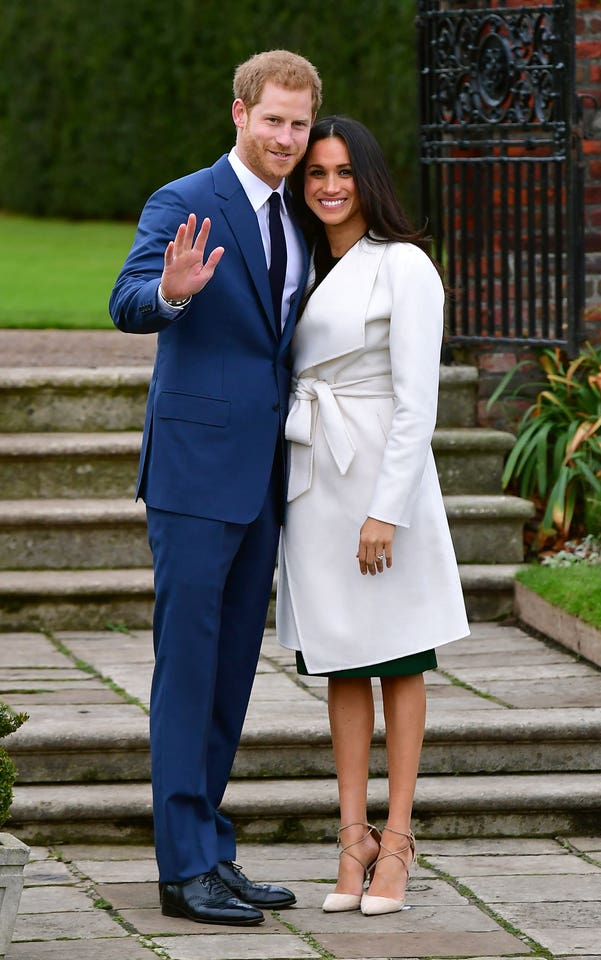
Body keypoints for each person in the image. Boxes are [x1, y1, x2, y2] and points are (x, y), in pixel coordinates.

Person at [109, 50, 322, 926]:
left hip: (265, 478)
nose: (286, 138)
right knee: (189, 669)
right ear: (239, 113)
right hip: (195, 476)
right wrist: (169, 289)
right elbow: (125, 300)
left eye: (299, 124)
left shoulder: (305, 216)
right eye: (272, 119)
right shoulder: (184, 200)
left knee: (232, 671)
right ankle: (181, 868)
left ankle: (211, 850)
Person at [276, 116, 470, 916]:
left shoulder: (405, 265)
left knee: (399, 658)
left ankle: (396, 842)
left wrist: (386, 511)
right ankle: (350, 838)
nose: (328, 184)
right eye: (315, 171)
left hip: (382, 485)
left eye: (344, 171)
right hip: (316, 480)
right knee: (342, 661)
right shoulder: (297, 264)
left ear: (369, 178)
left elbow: (416, 402)